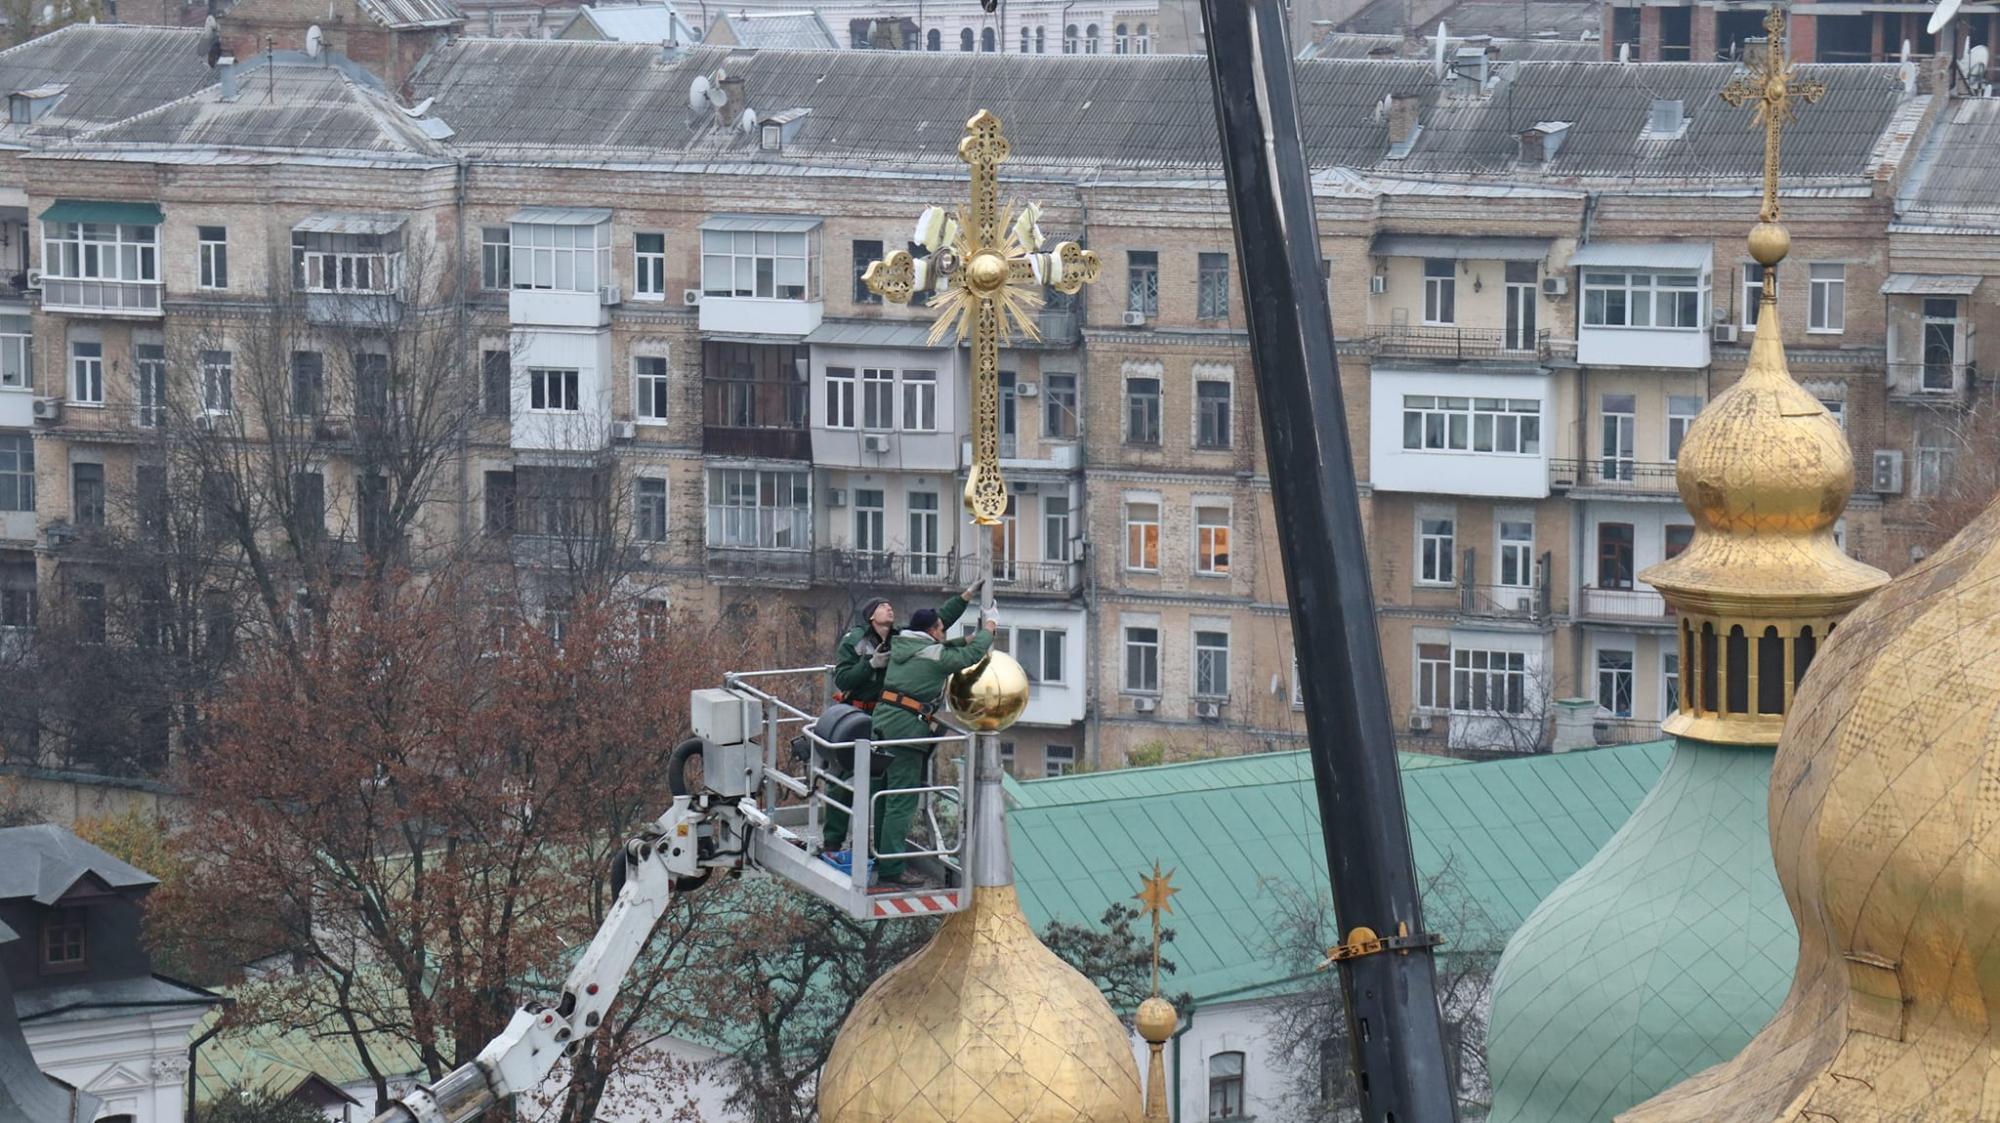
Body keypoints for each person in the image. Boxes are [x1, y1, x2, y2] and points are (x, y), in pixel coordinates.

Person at [822, 583, 978, 858]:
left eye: (890, 605)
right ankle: (833, 841)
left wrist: (965, 597)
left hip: (885, 716)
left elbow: (937, 623)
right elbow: (843, 679)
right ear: (871, 616)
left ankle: (872, 848)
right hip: (859, 715)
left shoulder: (898, 638)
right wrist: (870, 664)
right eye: (883, 606)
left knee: (880, 783)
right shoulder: (856, 640)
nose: (889, 608)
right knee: (845, 779)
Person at [866, 604, 997, 888]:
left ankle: (879, 855)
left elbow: (947, 647)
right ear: (931, 631)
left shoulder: (903, 645)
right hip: (906, 733)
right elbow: (970, 656)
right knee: (901, 800)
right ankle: (891, 869)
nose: (943, 632)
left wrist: (966, 636)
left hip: (882, 724)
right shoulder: (935, 655)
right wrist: (990, 629)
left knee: (884, 795)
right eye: (941, 628)